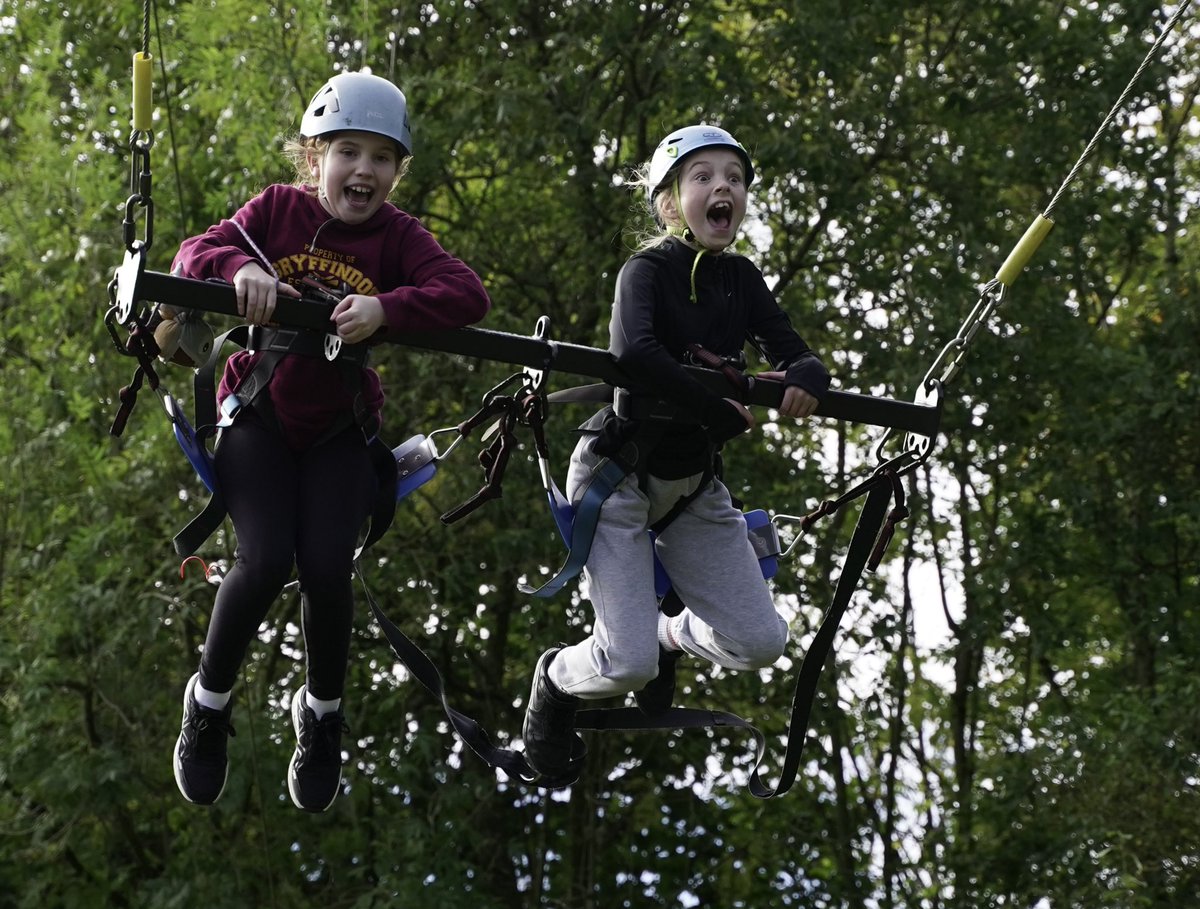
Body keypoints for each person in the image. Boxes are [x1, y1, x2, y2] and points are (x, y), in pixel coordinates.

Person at [170, 71, 490, 811]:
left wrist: (387, 307)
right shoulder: (278, 212)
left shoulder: (399, 238)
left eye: (383, 158)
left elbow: (466, 294)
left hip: (340, 432)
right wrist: (242, 267)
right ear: (314, 159)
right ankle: (209, 704)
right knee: (264, 558)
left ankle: (321, 717)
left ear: (397, 173)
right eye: (349, 152)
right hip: (259, 417)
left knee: (326, 568)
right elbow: (196, 252)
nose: (365, 171)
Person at [522, 124, 829, 784]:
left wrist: (805, 374)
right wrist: (712, 406)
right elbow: (636, 354)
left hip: (693, 487)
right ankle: (555, 679)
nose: (723, 187)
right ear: (668, 204)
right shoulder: (648, 269)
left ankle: (668, 637)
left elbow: (792, 349)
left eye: (734, 179)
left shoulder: (741, 279)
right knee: (622, 664)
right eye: (702, 178)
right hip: (618, 475)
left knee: (759, 642)